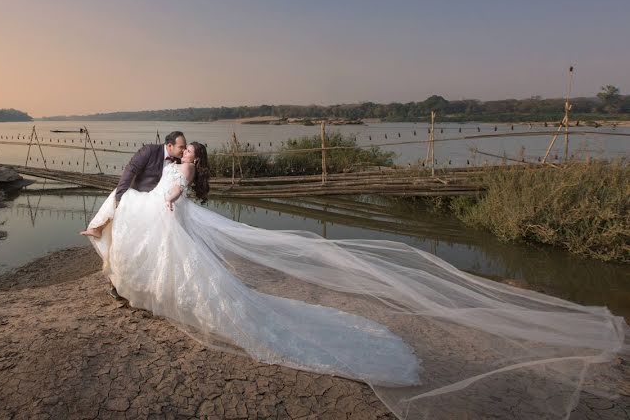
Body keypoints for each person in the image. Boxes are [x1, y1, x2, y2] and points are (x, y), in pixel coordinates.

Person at [82, 141, 627, 419]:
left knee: (206, 289)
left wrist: (161, 199)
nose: (187, 154)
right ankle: (144, 292)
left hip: (166, 219)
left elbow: (173, 196)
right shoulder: (174, 163)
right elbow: (167, 191)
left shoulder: (182, 173)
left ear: (194, 158)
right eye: (187, 151)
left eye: (193, 153)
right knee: (185, 278)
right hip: (163, 219)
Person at [80, 131, 186, 299]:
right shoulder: (149, 151)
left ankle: (144, 286)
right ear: (170, 145)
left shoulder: (181, 161)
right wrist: (121, 197)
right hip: (137, 204)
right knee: (125, 245)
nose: (184, 150)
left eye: (185, 147)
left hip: (157, 210)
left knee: (148, 248)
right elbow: (130, 170)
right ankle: (117, 286)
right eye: (181, 147)